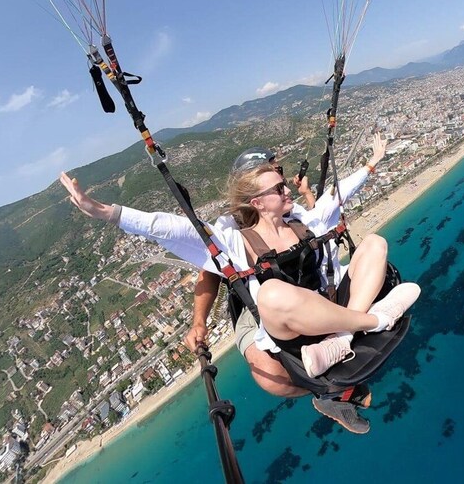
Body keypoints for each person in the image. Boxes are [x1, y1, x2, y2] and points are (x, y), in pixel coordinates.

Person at [59, 137, 420, 434]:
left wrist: (372, 164)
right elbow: (175, 228)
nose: (285, 183)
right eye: (278, 184)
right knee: (274, 310)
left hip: (329, 309)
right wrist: (109, 213)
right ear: (258, 201)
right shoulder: (233, 239)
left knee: (374, 243)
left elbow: (336, 198)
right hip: (287, 325)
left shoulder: (300, 219)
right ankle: (372, 325)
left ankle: (342, 338)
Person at [184, 136, 386, 400]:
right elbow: (209, 270)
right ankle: (331, 391)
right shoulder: (230, 229)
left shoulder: (288, 209)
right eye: (276, 171)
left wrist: (309, 194)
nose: (281, 177)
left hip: (303, 281)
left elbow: (316, 224)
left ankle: (340, 343)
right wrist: (199, 321)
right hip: (255, 297)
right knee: (268, 373)